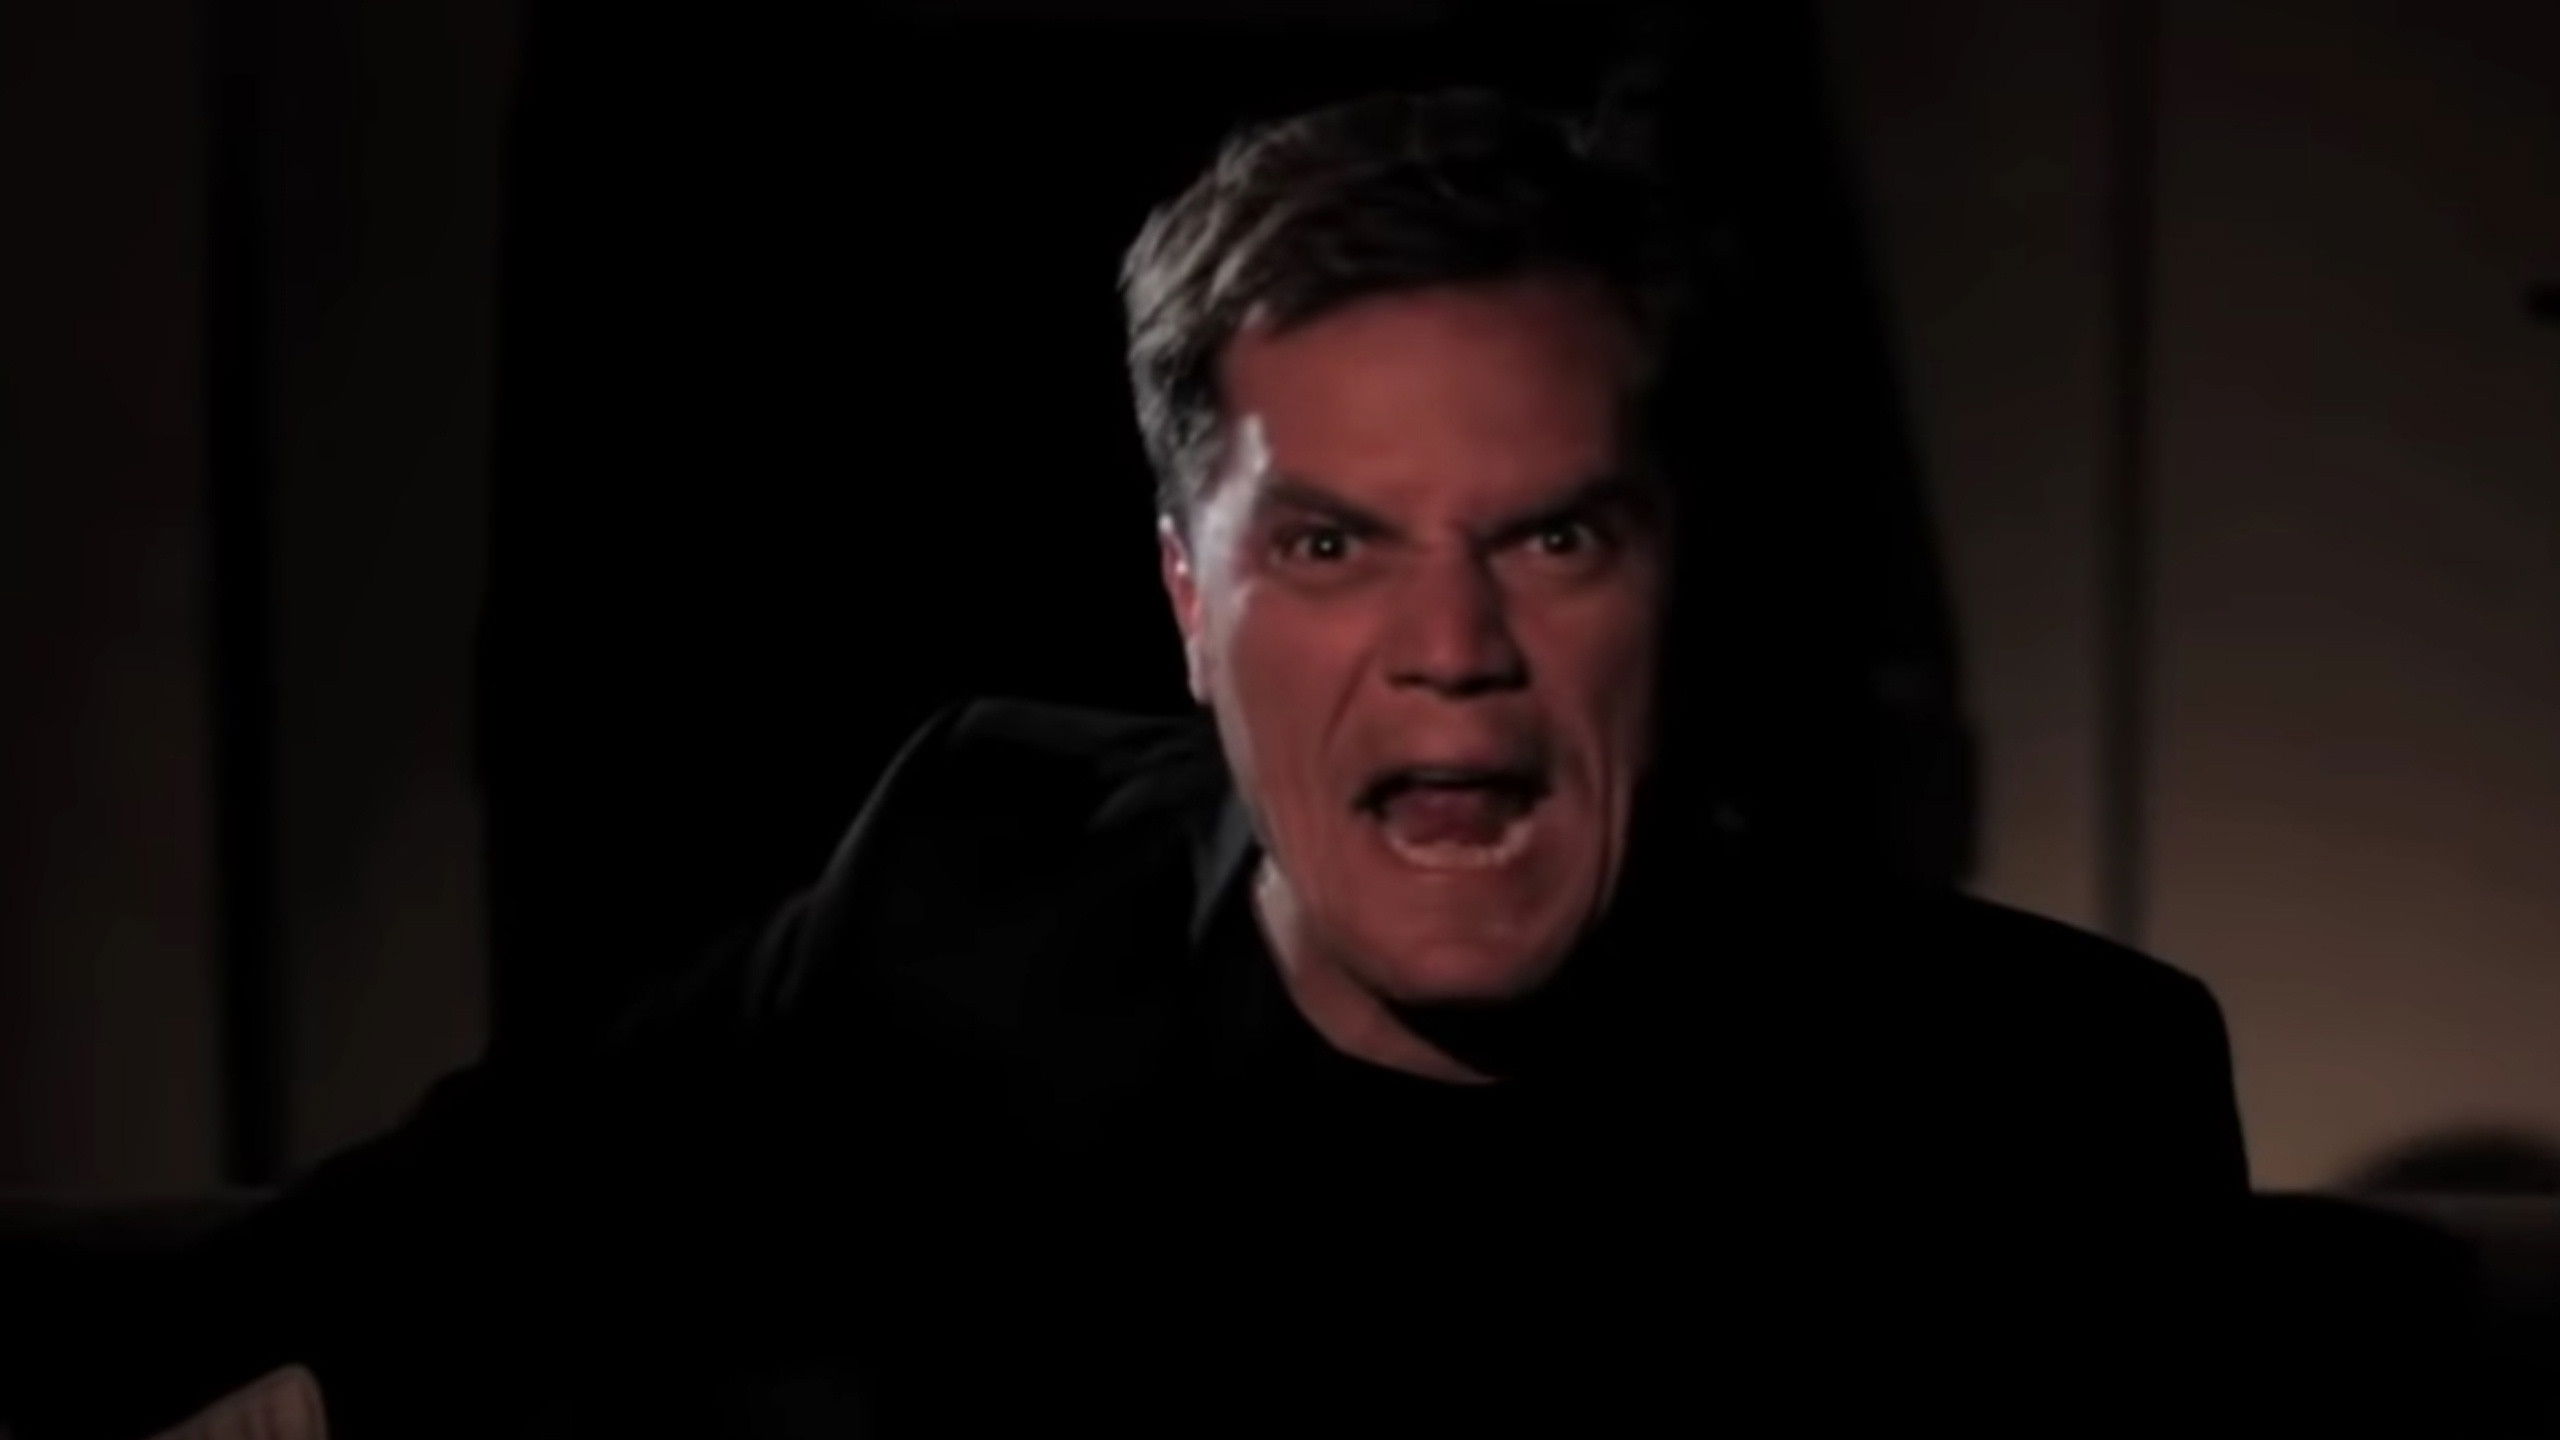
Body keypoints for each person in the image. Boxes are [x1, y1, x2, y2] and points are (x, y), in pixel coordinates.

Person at [12, 88, 2248, 1438]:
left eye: (1551, 537)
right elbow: (452, 1226)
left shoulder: (2042, 1108)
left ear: (1681, 575)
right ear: (1187, 601)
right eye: (1330, 543)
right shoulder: (984, 869)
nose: (1451, 649)